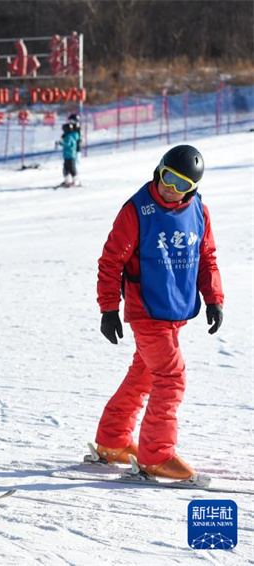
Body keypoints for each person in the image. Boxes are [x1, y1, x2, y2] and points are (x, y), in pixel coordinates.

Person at [93, 145, 223, 482]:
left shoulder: (199, 211)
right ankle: (156, 456)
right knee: (171, 376)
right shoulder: (136, 210)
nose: (171, 188)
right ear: (158, 170)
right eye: (168, 178)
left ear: (192, 189)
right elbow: (111, 263)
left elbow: (207, 258)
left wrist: (213, 299)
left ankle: (113, 440)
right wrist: (109, 308)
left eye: (182, 185)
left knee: (144, 374)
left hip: (174, 310)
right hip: (147, 310)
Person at [57, 116, 81, 187]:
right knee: (66, 168)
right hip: (67, 155)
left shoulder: (71, 135)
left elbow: (69, 144)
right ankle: (67, 180)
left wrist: (61, 143)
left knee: (72, 167)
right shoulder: (67, 135)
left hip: (71, 154)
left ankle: (75, 180)